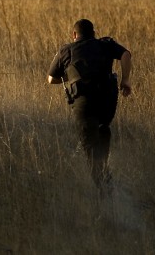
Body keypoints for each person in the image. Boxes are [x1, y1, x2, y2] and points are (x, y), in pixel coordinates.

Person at [47, 19, 132, 197]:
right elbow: (126, 54)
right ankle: (105, 174)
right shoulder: (105, 44)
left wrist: (69, 75)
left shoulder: (66, 50)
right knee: (103, 127)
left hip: (83, 105)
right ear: (94, 33)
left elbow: (50, 79)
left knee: (90, 149)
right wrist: (125, 80)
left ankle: (106, 193)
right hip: (107, 103)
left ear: (74, 35)